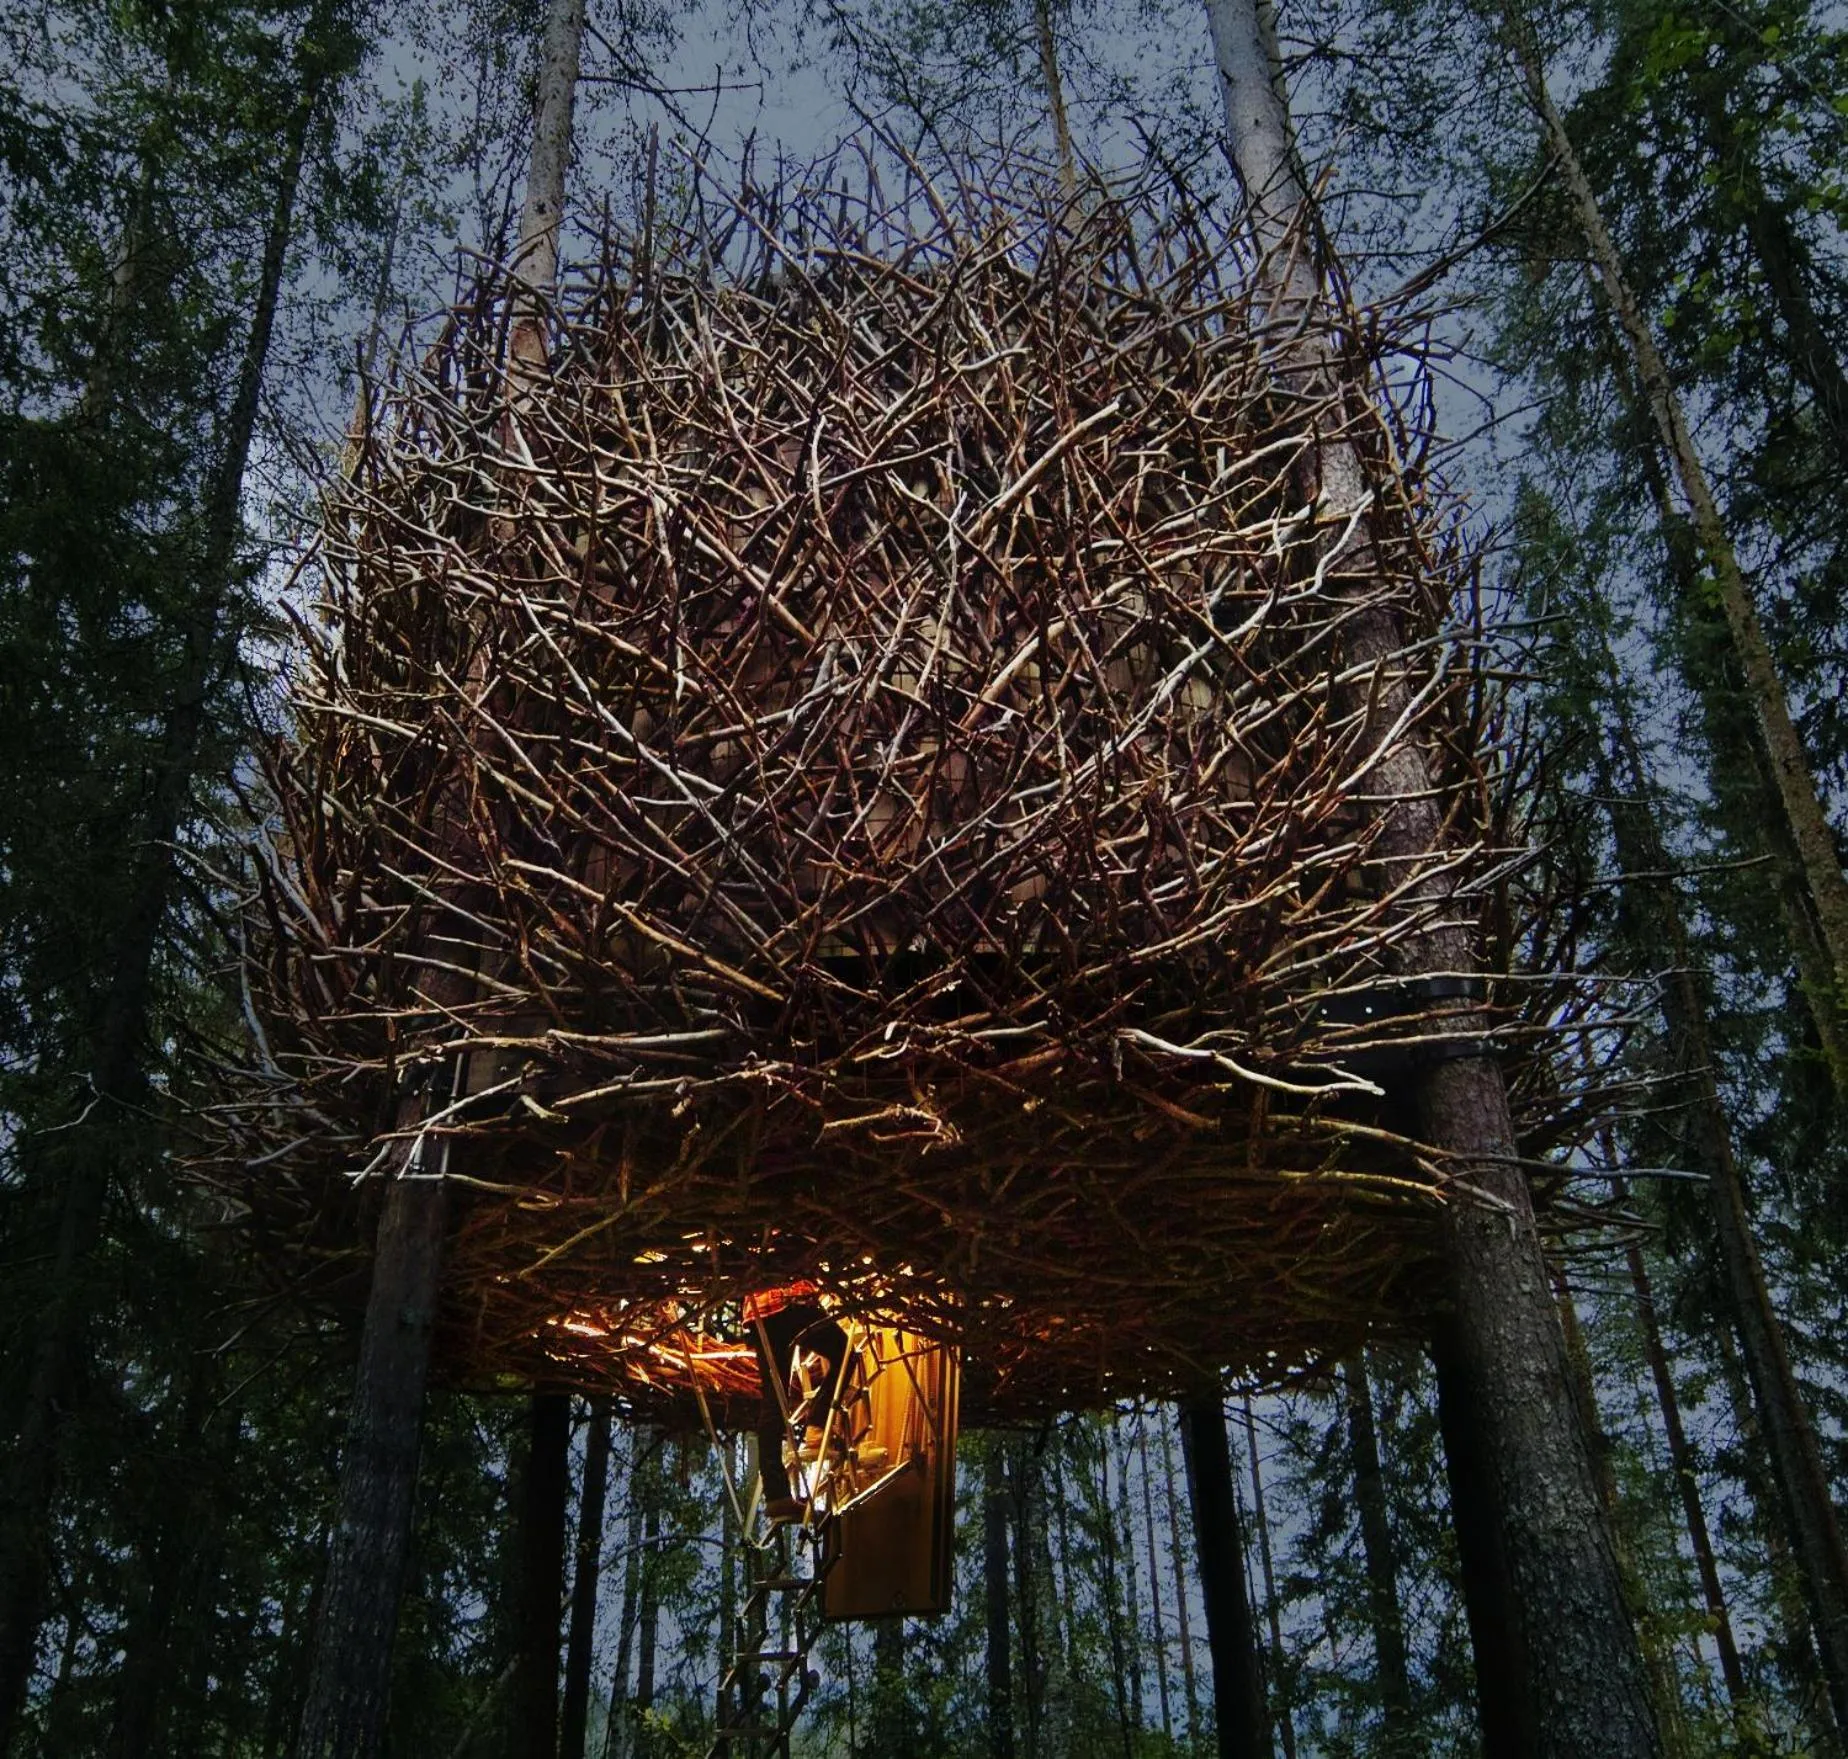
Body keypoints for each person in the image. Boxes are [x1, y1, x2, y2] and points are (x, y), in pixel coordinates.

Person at [744, 1280, 849, 1521]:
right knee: (844, 1352)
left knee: (774, 1398)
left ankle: (776, 1495)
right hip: (790, 1301)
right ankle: (818, 1423)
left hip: (758, 1310)